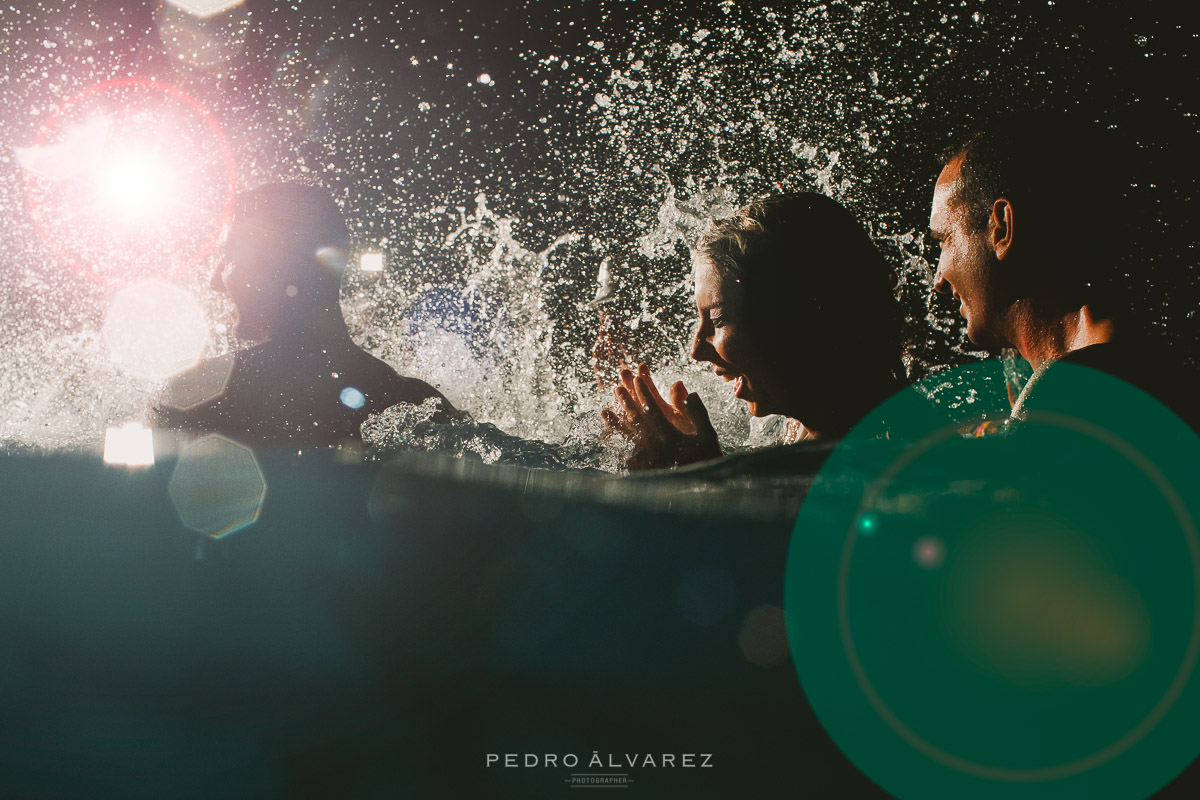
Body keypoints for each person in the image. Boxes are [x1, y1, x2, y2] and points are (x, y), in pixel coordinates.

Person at [928, 111, 1198, 428]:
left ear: (1001, 228)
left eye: (945, 239)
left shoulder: (1074, 399)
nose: (939, 280)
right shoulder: (1122, 366)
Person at [603, 193, 908, 470]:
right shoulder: (809, 430)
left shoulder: (896, 458)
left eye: (719, 320)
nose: (696, 350)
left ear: (795, 317)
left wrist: (706, 478)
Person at [152, 183, 451, 448]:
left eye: (230, 257)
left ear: (271, 269)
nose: (216, 283)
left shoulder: (199, 394)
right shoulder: (415, 402)